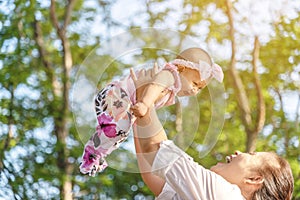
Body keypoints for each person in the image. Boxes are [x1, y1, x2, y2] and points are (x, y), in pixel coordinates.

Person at [131, 67, 294, 200]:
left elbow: (155, 148)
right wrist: (142, 103)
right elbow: (155, 176)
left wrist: (145, 100)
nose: (238, 152)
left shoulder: (225, 195)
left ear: (254, 179)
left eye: (252, 154)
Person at [79, 47, 224, 176]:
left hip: (122, 102)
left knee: (119, 133)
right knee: (119, 129)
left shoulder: (171, 88)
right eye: (194, 83)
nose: (194, 91)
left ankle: (95, 153)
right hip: (116, 95)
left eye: (199, 89)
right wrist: (144, 103)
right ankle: (93, 152)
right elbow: (154, 86)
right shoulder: (170, 74)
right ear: (181, 68)